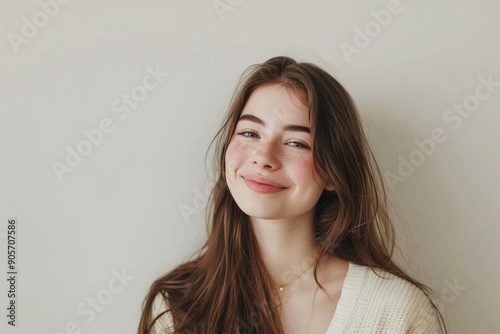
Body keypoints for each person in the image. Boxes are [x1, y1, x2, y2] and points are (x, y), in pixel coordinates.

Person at [137, 56, 447, 333]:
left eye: (296, 143)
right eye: (249, 133)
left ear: (333, 173)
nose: (263, 157)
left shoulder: (395, 312)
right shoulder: (177, 304)